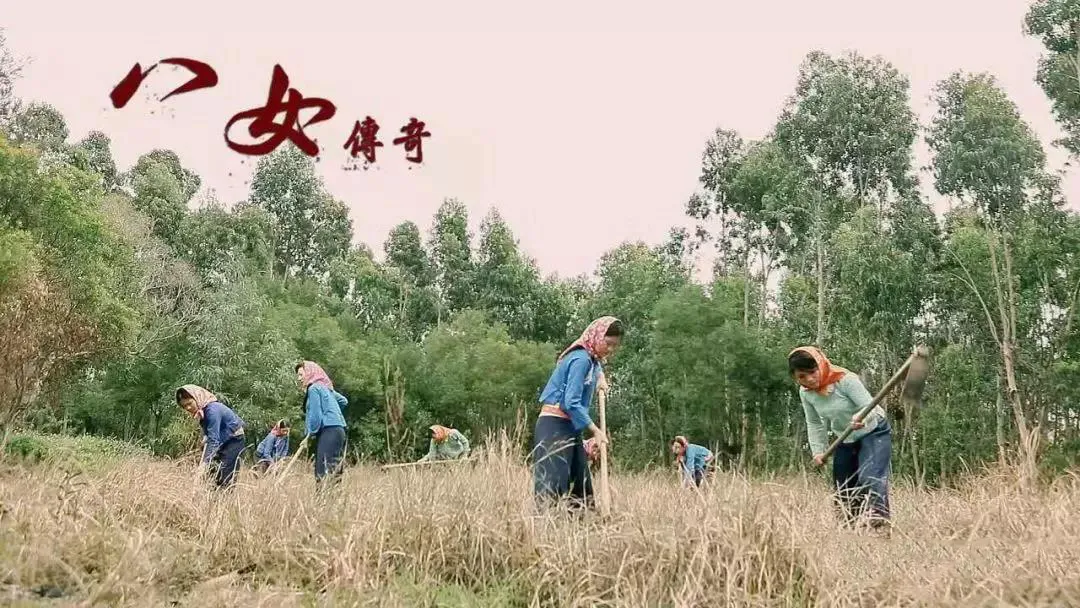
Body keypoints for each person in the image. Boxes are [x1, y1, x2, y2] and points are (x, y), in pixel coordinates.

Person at [789, 345, 892, 532]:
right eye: (802, 376)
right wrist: (818, 451)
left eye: (812, 372)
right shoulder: (806, 393)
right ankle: (850, 528)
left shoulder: (845, 380)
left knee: (869, 476)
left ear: (821, 365)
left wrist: (861, 417)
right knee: (843, 486)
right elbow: (814, 423)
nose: (809, 379)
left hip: (873, 430)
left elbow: (870, 407)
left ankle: (879, 522)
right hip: (845, 438)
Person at [532, 316, 622, 512]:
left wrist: (600, 377)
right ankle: (545, 530)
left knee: (580, 481)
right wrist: (595, 430)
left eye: (615, 346)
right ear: (597, 337)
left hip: (570, 426)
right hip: (554, 425)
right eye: (608, 344)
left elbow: (596, 365)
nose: (611, 350)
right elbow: (570, 402)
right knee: (553, 482)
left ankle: (584, 531)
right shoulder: (581, 359)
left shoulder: (591, 360)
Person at [176, 384, 246, 489]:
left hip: (234, 440)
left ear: (197, 397)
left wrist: (204, 463)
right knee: (211, 474)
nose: (188, 408)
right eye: (185, 406)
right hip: (221, 439)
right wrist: (205, 441)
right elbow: (209, 434)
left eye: (190, 403)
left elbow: (214, 440)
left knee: (225, 475)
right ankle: (210, 500)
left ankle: (224, 502)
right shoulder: (202, 411)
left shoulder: (212, 410)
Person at [297, 361, 349, 488]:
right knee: (334, 469)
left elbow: (315, 417)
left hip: (328, 431)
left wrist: (309, 435)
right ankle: (333, 501)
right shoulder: (326, 388)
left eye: (300, 374)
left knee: (323, 469)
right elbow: (343, 401)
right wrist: (332, 413)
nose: (299, 378)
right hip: (339, 430)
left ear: (309, 372)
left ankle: (322, 503)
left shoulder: (314, 389)